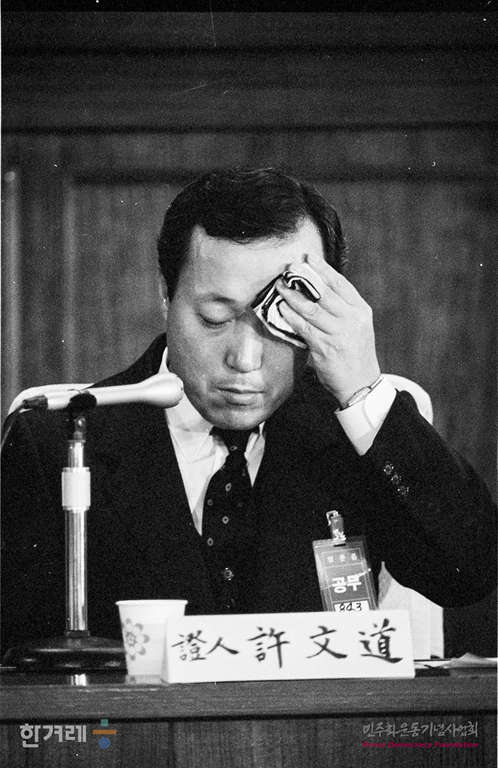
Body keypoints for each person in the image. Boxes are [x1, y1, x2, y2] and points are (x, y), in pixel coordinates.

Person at [1, 167, 496, 654]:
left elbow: (470, 574)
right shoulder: (56, 444)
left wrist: (364, 392)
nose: (244, 358)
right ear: (165, 295)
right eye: (214, 318)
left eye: (280, 320)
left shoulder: (354, 432)